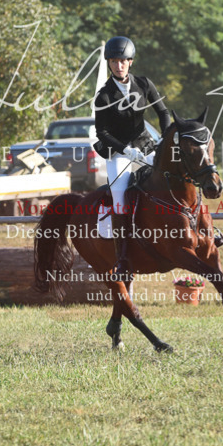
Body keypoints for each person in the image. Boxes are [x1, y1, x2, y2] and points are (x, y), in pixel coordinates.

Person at [94, 35, 171, 279]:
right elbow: (102, 132)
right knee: (119, 195)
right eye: (114, 61)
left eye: (123, 61)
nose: (119, 65)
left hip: (146, 145)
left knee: (173, 176)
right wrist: (125, 150)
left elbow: (163, 112)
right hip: (118, 151)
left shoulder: (145, 84)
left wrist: (164, 139)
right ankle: (122, 254)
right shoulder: (103, 96)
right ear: (109, 63)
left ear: (131, 62)